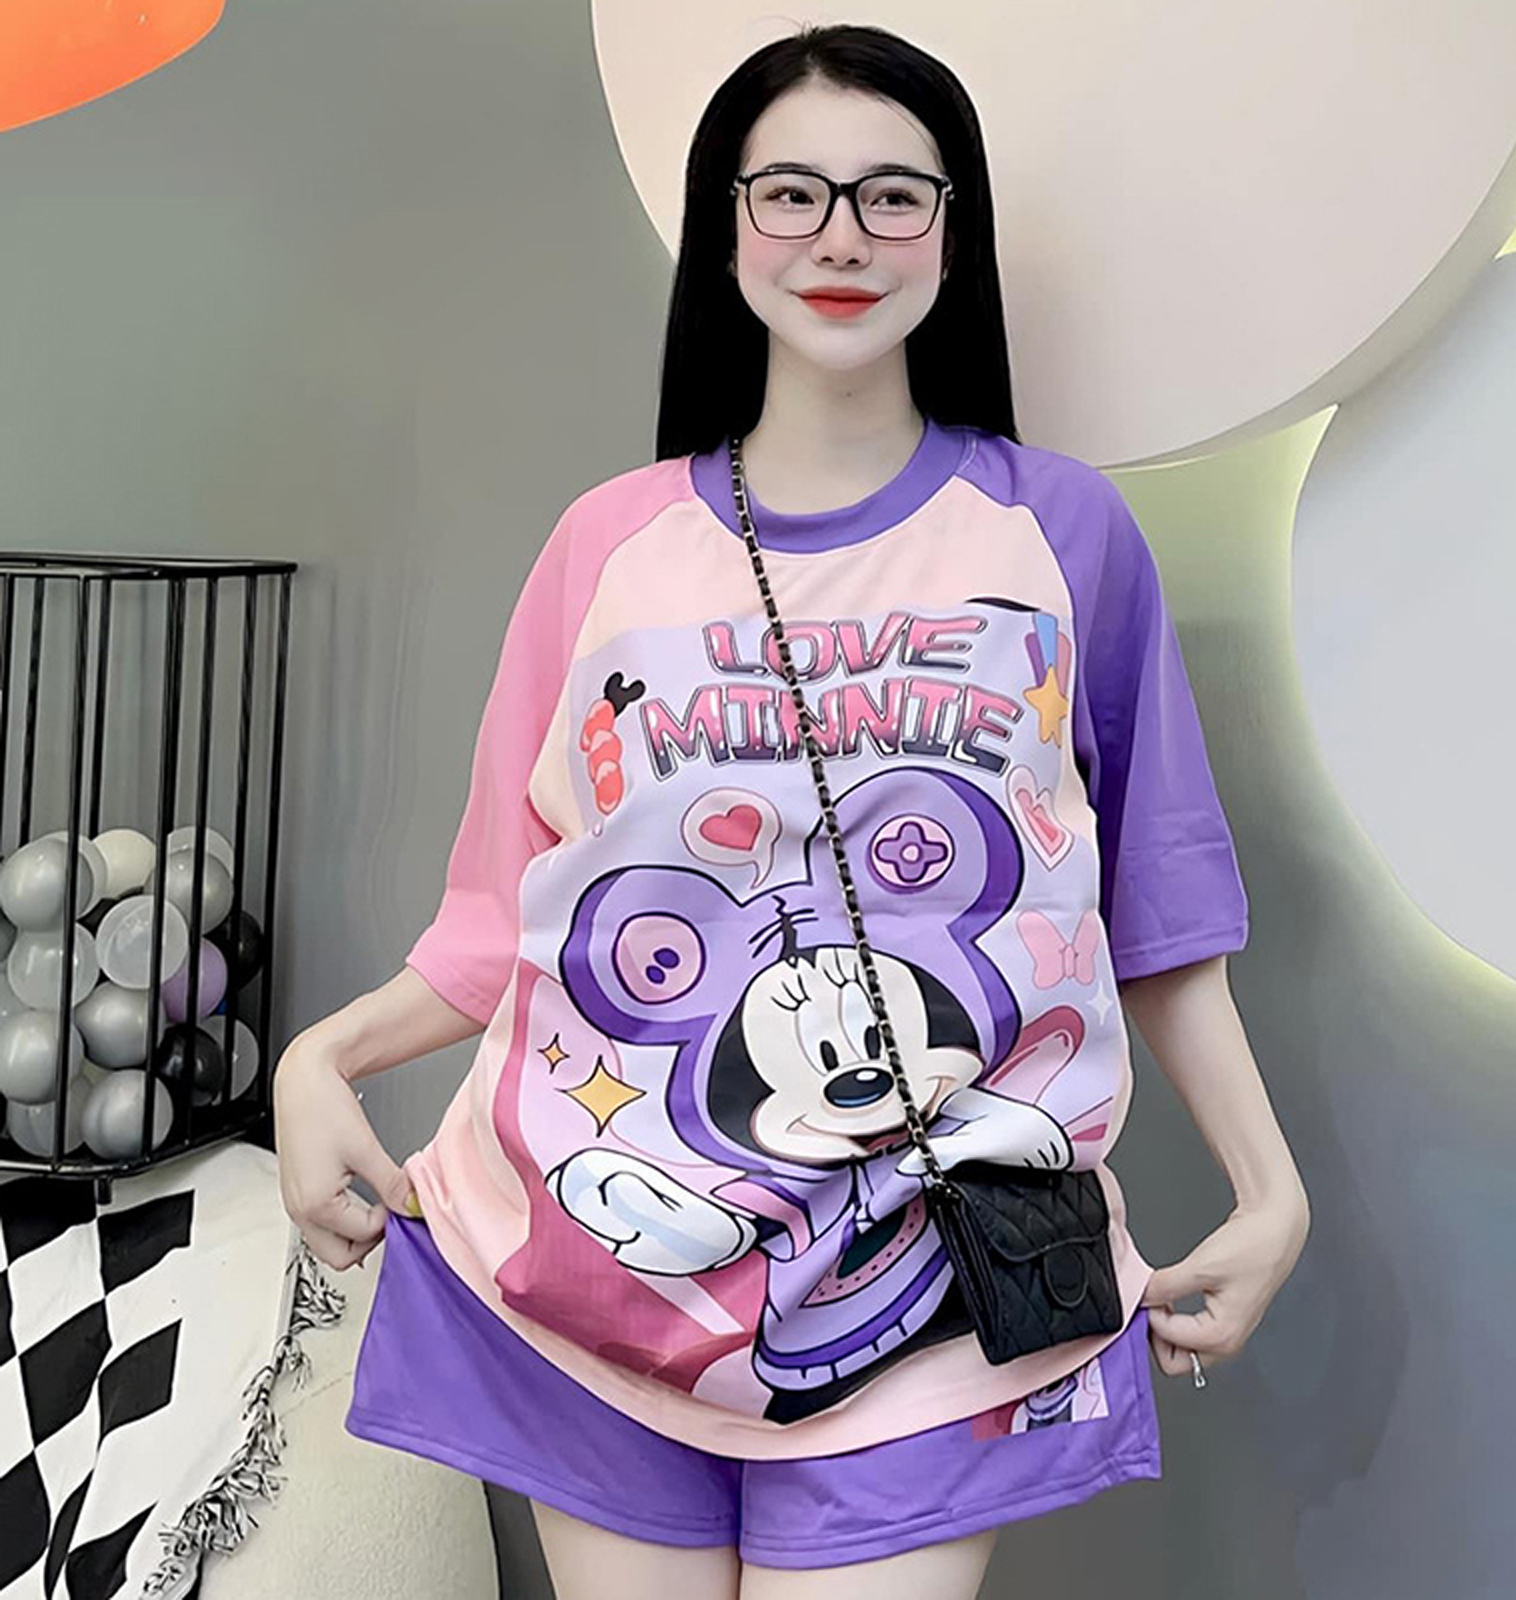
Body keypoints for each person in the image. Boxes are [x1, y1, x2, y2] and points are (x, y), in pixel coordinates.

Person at [274, 21, 1310, 1599]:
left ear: (951, 233)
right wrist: (322, 1059)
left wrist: (1269, 1185)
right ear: (726, 227)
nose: (841, 237)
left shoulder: (1062, 534)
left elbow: (1152, 911)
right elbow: (502, 920)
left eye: (893, 195)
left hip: (938, 1282)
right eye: (792, 193)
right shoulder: (608, 546)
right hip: (600, 1269)